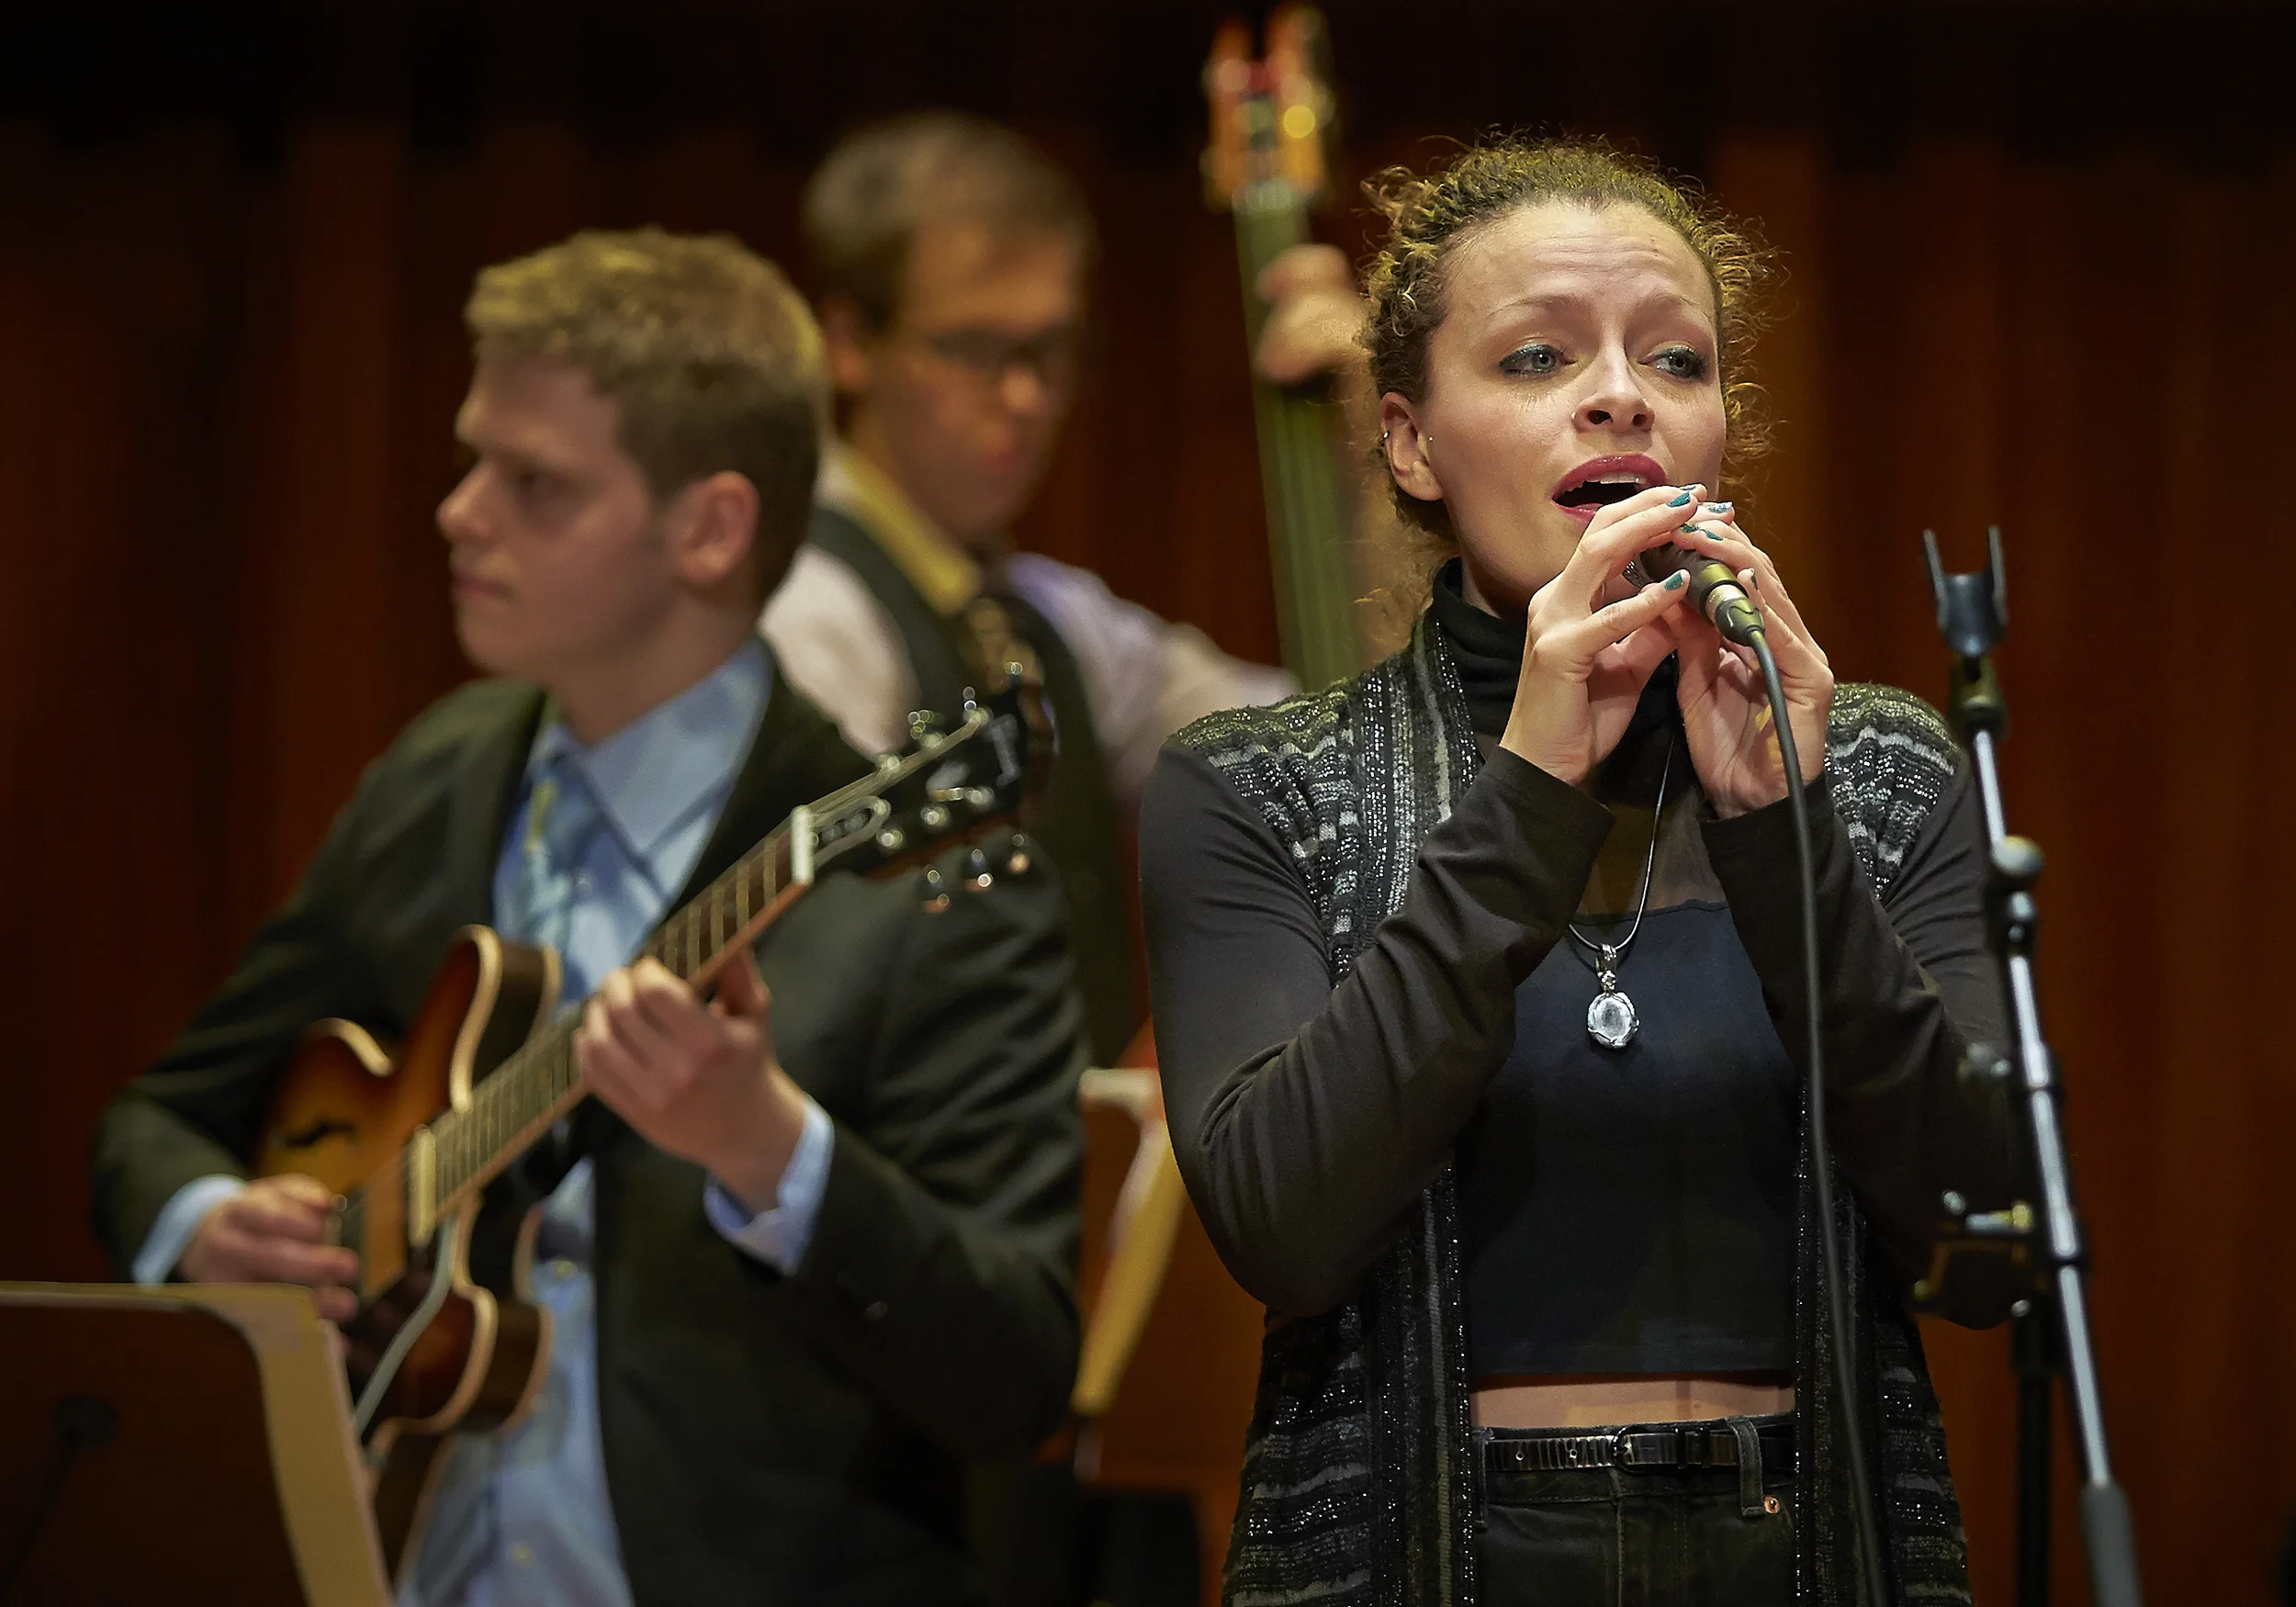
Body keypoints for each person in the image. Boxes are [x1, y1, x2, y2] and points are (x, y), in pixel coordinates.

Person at [90, 229, 1085, 1606]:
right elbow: (158, 1117)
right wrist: (206, 1222)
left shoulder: (917, 894)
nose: (457, 511)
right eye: (470, 457)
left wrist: (769, 1152)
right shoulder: (442, 772)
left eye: (532, 482)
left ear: (710, 527)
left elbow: (1020, 1375)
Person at [1140, 139, 2023, 1604]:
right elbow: (1286, 1225)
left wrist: (1782, 836)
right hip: (1433, 1555)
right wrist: (1531, 798)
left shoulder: (1877, 766)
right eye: (1540, 354)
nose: (1619, 392)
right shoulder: (1256, 783)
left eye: (1674, 358)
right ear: (1413, 443)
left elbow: (1982, 1224)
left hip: (1804, 1546)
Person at [760, 112, 1294, 1064]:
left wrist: (1364, 435)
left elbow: (1316, 744)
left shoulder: (1050, 617)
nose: (1025, 398)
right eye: (974, 349)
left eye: (1050, 353)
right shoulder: (804, 611)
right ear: (848, 341)